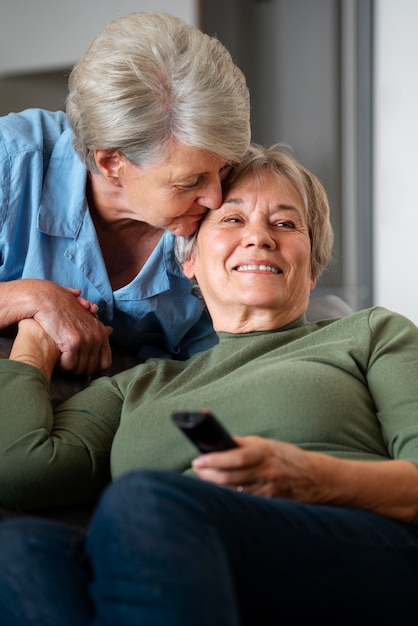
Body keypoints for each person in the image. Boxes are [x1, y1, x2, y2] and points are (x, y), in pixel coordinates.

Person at [0, 143, 418, 624]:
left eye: (285, 223)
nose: (259, 237)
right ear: (189, 260)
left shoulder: (369, 334)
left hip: (357, 546)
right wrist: (35, 334)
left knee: (146, 501)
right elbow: (19, 469)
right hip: (191, 566)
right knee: (20, 550)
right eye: (233, 220)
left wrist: (311, 477)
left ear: (314, 266)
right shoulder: (138, 385)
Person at [0, 10, 250, 382]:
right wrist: (27, 297)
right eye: (190, 181)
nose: (216, 198)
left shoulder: (240, 199)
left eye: (224, 168)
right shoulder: (12, 161)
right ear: (112, 162)